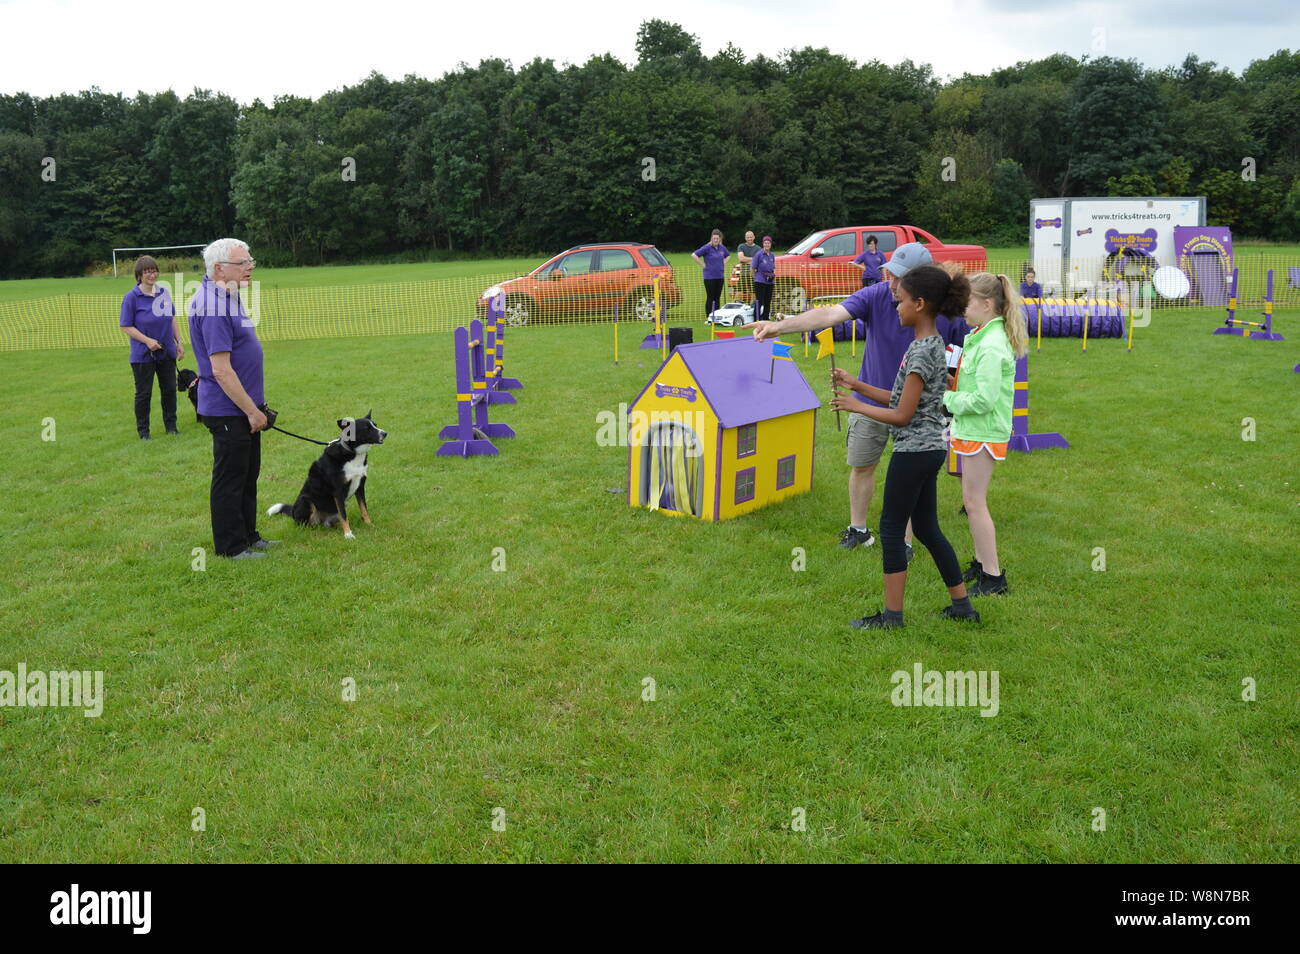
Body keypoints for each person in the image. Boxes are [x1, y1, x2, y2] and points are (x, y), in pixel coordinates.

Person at [751, 243, 969, 555]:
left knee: (911, 479)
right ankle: (859, 529)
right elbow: (828, 313)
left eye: (900, 278)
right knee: (862, 465)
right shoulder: (876, 295)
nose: (892, 284)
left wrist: (953, 385)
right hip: (870, 399)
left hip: (919, 412)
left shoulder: (944, 310)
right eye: (889, 274)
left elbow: (964, 352)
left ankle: (904, 543)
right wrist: (778, 327)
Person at [829, 264, 978, 629]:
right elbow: (901, 396)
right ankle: (963, 607)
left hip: (913, 452)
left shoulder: (920, 352)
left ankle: (892, 617)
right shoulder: (929, 345)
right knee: (927, 529)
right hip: (929, 451)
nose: (896, 306)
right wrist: (858, 385)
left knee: (893, 530)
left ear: (921, 305)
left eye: (902, 300)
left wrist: (856, 406)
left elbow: (901, 413)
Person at [188, 238, 276, 561]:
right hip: (229, 410)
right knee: (230, 479)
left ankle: (249, 535)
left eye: (250, 260)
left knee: (248, 473)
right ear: (220, 268)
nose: (250, 266)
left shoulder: (228, 296)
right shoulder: (212, 306)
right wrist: (251, 411)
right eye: (243, 262)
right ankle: (231, 546)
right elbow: (221, 370)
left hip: (245, 407)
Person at [944, 273, 1028, 597]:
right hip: (974, 429)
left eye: (967, 302)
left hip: (983, 430)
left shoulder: (991, 344)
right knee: (971, 499)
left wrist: (946, 401)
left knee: (975, 502)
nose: (962, 309)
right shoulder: (981, 335)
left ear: (986, 304)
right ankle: (982, 565)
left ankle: (994, 578)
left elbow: (985, 398)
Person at [119, 255, 184, 439]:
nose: (152, 275)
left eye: (154, 271)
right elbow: (126, 325)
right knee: (144, 394)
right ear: (139, 275)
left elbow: (171, 318)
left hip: (166, 352)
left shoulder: (163, 293)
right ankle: (144, 432)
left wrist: (179, 342)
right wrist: (147, 341)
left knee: (170, 391)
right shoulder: (132, 297)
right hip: (143, 355)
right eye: (147, 272)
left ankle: (171, 427)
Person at [692, 229, 730, 321]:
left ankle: (717, 316)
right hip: (709, 277)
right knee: (710, 297)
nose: (716, 240)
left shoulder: (722, 248)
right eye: (714, 238)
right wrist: (703, 264)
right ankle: (709, 316)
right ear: (711, 239)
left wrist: (723, 262)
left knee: (717, 297)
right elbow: (694, 255)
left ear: (720, 239)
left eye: (717, 238)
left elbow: (728, 255)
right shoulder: (707, 247)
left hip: (720, 276)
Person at [751, 235, 776, 322]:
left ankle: (766, 319)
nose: (767, 245)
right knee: (759, 301)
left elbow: (773, 269)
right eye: (765, 243)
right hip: (760, 281)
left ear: (770, 244)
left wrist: (773, 277)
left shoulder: (772, 256)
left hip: (770, 282)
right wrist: (756, 279)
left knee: (767, 302)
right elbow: (753, 268)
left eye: (768, 243)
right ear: (763, 244)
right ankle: (756, 319)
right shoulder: (758, 254)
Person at [736, 230, 760, 299]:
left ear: (754, 237)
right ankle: (736, 306)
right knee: (739, 291)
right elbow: (741, 258)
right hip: (744, 273)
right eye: (748, 237)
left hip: (754, 274)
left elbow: (759, 261)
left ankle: (753, 306)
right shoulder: (741, 246)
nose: (749, 239)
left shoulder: (758, 248)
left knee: (754, 292)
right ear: (745, 238)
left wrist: (746, 260)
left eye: (751, 237)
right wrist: (753, 259)